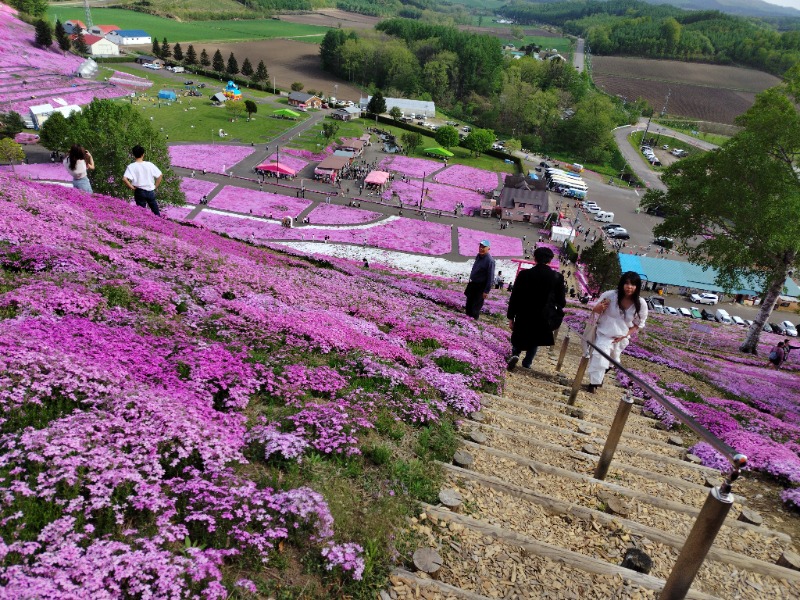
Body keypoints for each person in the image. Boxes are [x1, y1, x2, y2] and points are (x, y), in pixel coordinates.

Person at [585, 272, 648, 393]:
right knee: (600, 357)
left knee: (612, 361)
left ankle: (599, 378)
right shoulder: (610, 296)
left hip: (620, 338)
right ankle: (593, 384)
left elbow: (638, 324)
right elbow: (595, 308)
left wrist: (625, 335)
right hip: (604, 333)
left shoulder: (640, 304)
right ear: (622, 284)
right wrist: (598, 308)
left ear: (638, 287)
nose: (629, 287)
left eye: (633, 284)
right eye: (627, 283)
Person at [506, 247, 565, 371]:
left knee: (520, 335)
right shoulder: (557, 277)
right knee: (535, 339)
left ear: (535, 258)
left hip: (524, 312)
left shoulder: (524, 274)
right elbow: (562, 302)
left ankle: (515, 354)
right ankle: (527, 363)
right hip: (544, 315)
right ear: (550, 260)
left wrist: (511, 316)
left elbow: (515, 296)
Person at [123, 145, 163, 216]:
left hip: (139, 191)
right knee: (155, 211)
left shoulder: (131, 166)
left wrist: (132, 187)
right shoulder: (149, 164)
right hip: (150, 190)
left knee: (141, 213)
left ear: (133, 155)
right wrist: (155, 186)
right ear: (143, 154)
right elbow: (160, 175)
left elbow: (124, 179)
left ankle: (144, 226)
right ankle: (159, 224)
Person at [464, 240, 495, 320]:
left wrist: (486, 291)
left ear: (488, 249)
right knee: (469, 304)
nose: (481, 248)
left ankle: (473, 321)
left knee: (475, 306)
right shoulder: (478, 256)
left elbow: (490, 277)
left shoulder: (490, 261)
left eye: (483, 247)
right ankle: (467, 319)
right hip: (473, 284)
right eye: (480, 246)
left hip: (480, 286)